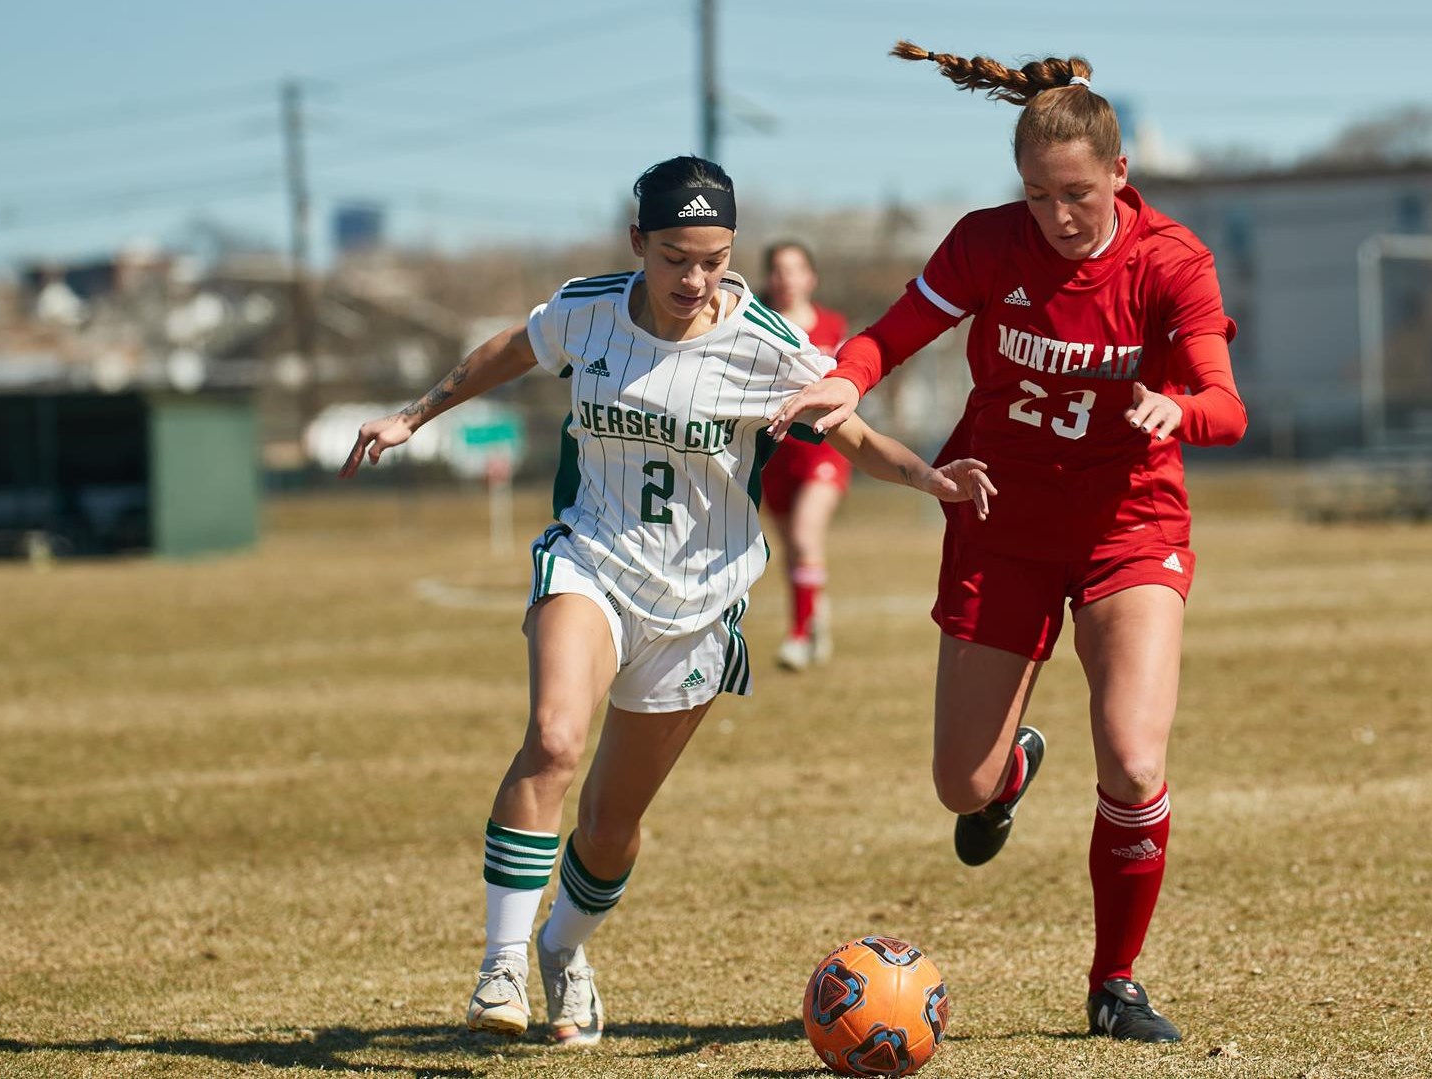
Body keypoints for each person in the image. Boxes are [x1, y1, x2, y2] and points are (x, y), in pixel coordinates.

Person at [338, 156, 993, 1047]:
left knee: (612, 825)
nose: (695, 279)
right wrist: (412, 417)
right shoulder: (588, 309)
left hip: (698, 601)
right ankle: (498, 966)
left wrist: (930, 480)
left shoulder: (764, 345)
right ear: (637, 242)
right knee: (553, 738)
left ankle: (564, 951)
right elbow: (511, 348)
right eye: (677, 256)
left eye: (716, 258)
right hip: (592, 560)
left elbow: (856, 433)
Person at [770, 42, 1247, 1043]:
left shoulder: (1170, 260)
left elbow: (1225, 403)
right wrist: (844, 381)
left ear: (1119, 174)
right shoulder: (987, 244)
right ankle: (1012, 769)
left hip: (1129, 525)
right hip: (1000, 520)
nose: (1056, 216)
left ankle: (1113, 981)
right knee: (962, 785)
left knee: (1129, 753)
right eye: (1035, 195)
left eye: (1074, 193)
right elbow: (890, 333)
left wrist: (1178, 409)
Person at [757, 241, 853, 671]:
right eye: (778, 270)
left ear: (810, 278)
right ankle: (814, 616)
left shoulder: (833, 325)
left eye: (795, 269)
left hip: (824, 449)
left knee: (803, 533)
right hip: (773, 451)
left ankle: (796, 636)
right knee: (793, 549)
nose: (786, 278)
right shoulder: (754, 324)